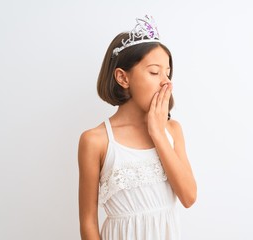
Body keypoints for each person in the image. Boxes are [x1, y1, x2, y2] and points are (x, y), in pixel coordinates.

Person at [78, 15, 197, 240]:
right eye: (154, 72)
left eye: (167, 73)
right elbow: (87, 221)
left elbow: (189, 197)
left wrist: (157, 133)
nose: (165, 82)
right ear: (123, 78)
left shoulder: (172, 131)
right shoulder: (96, 140)